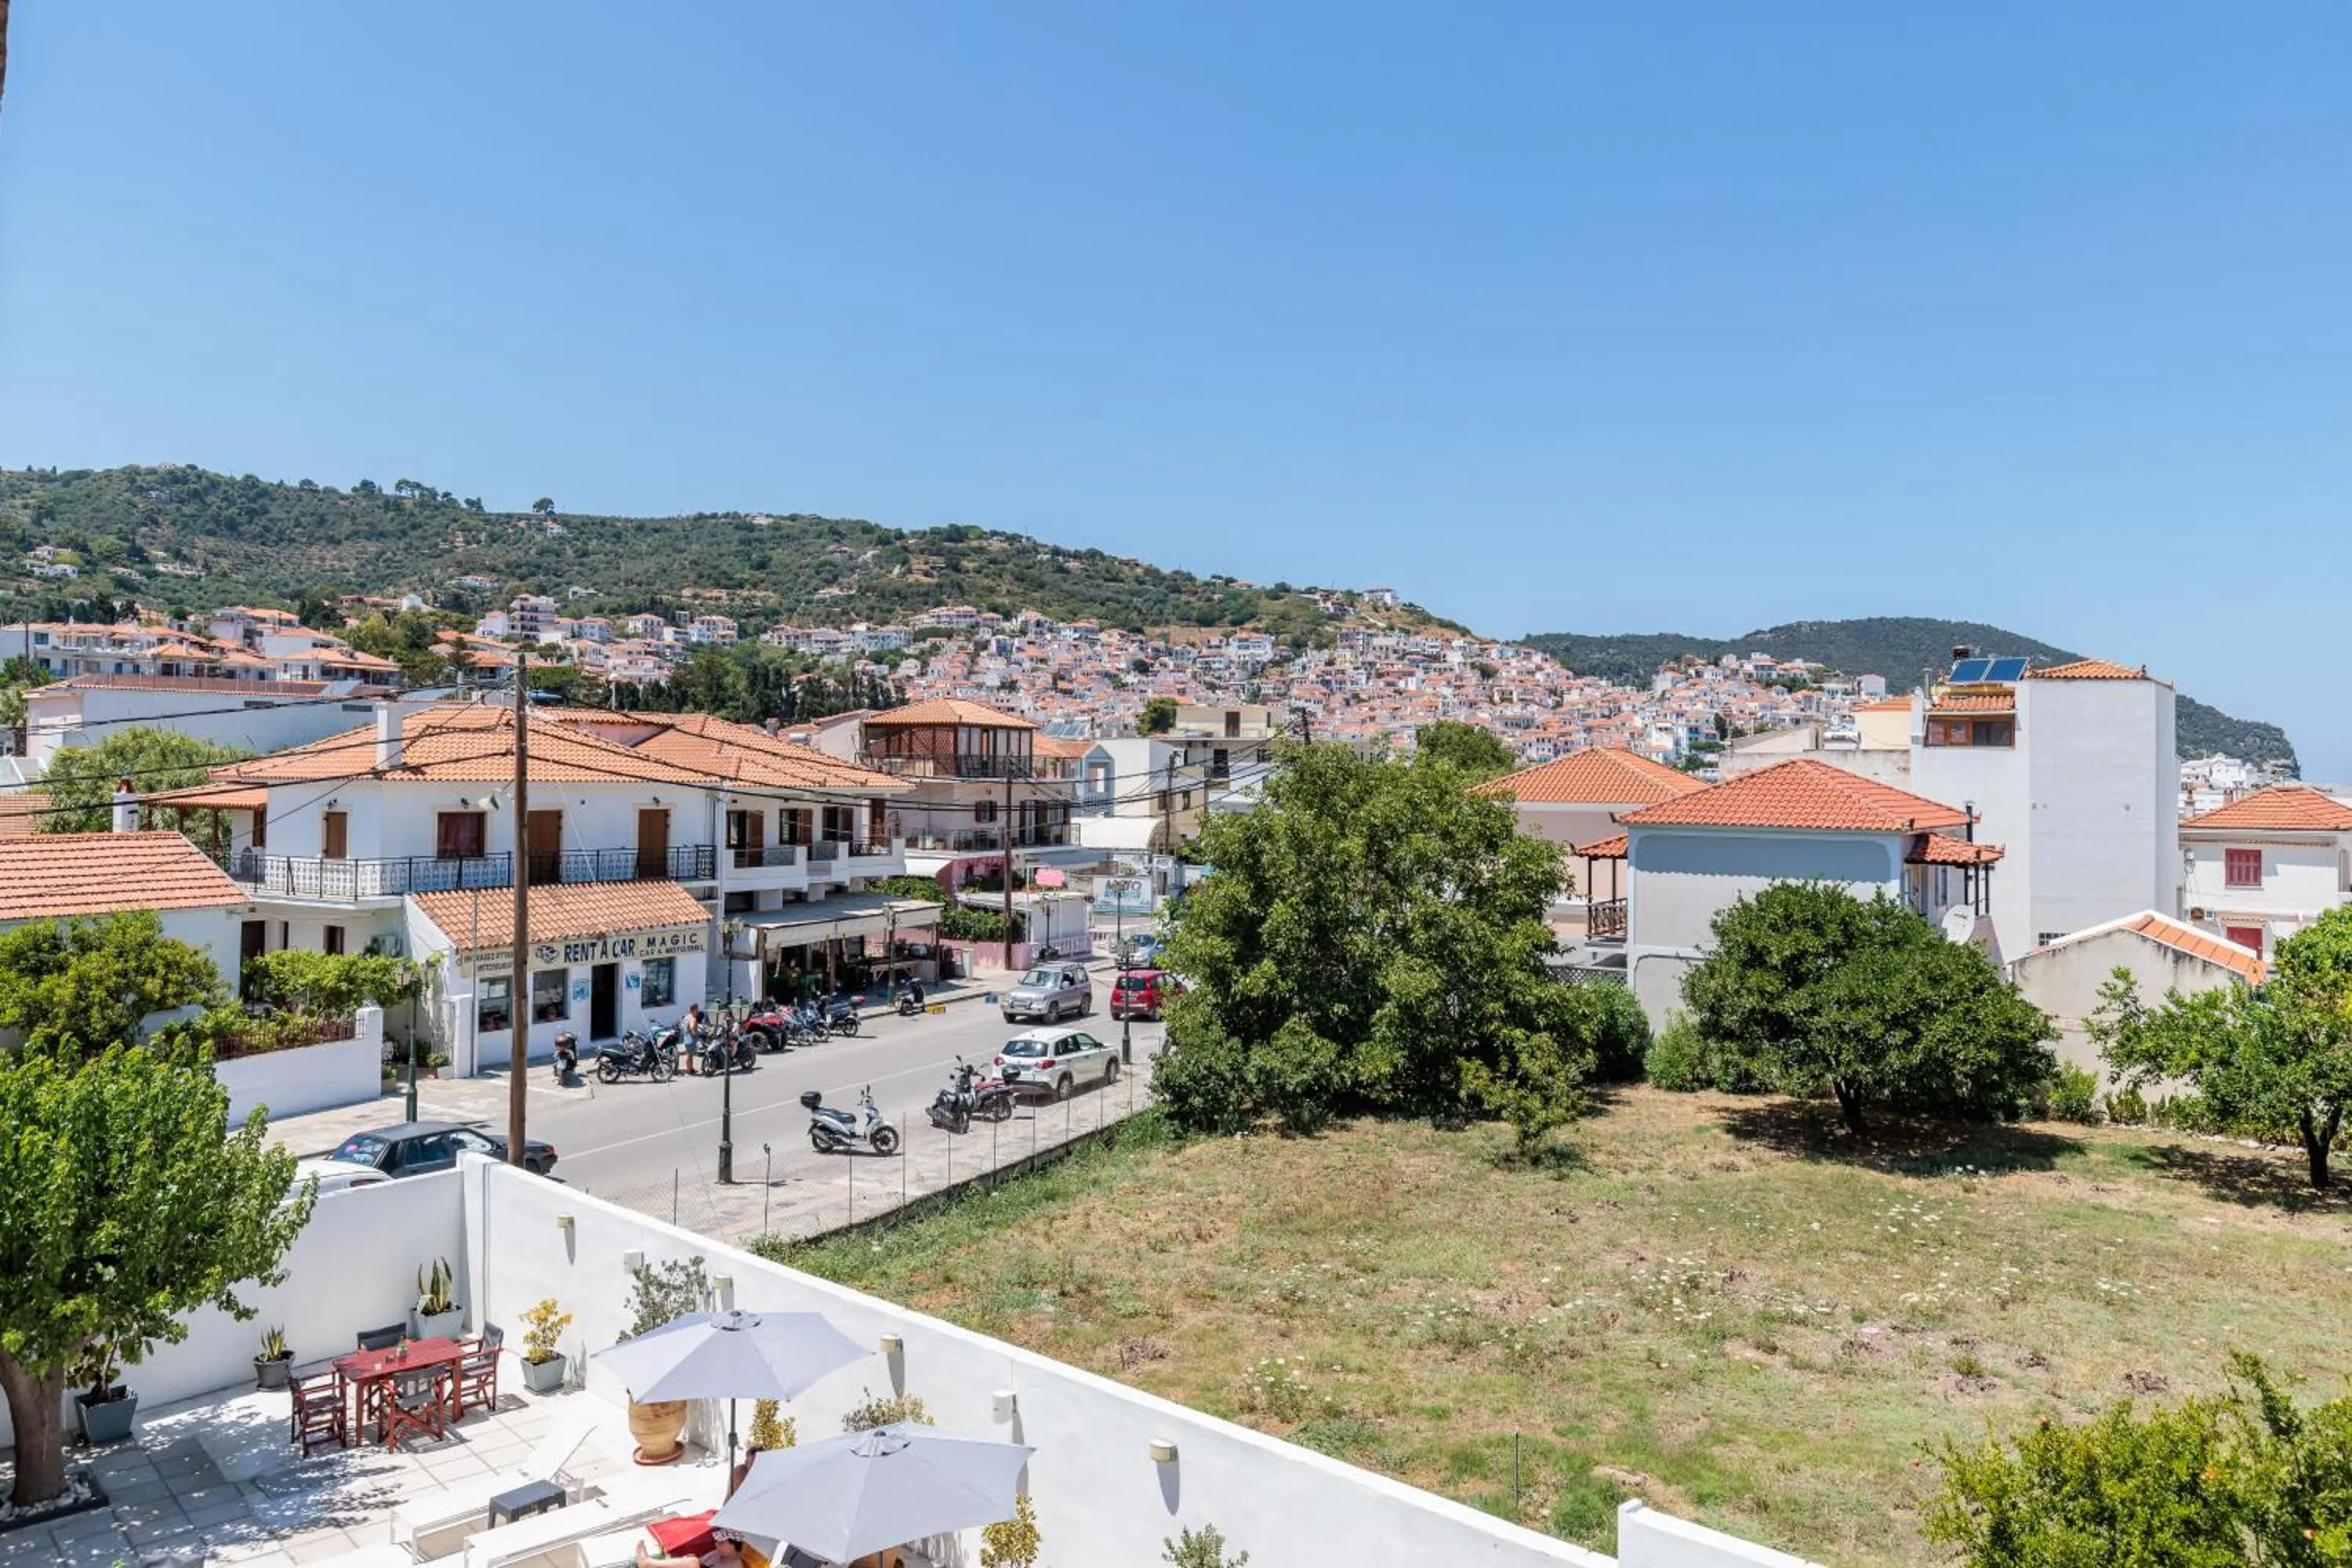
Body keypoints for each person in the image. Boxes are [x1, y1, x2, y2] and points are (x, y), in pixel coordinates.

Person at [637, 1527, 760, 1568]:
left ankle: (649, 1563)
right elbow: (700, 1561)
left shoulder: (736, 1565)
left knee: (693, 1562)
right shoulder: (716, 1554)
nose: (716, 1545)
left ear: (734, 1546)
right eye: (717, 1542)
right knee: (692, 1560)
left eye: (722, 1543)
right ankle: (651, 1564)